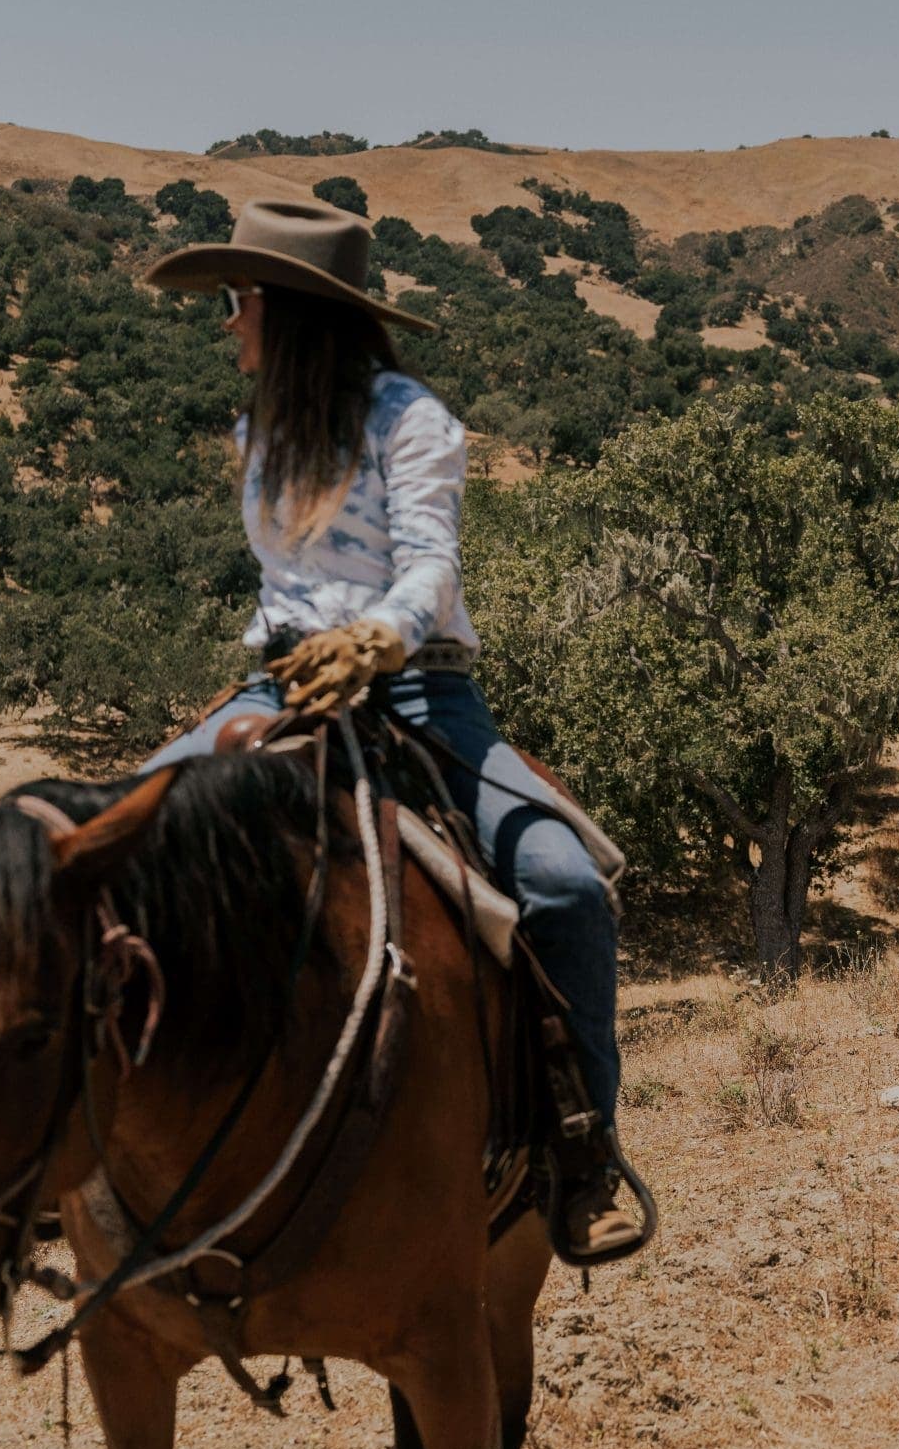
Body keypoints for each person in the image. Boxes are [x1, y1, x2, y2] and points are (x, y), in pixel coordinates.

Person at [138, 199, 643, 1264]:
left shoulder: (414, 419)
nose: (224, 323)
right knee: (100, 848)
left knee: (561, 885)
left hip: (417, 692)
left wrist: (377, 639)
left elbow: (431, 561)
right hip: (277, 689)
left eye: (234, 303)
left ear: (284, 310)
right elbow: (286, 582)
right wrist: (295, 662)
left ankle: (581, 1148)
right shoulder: (254, 432)